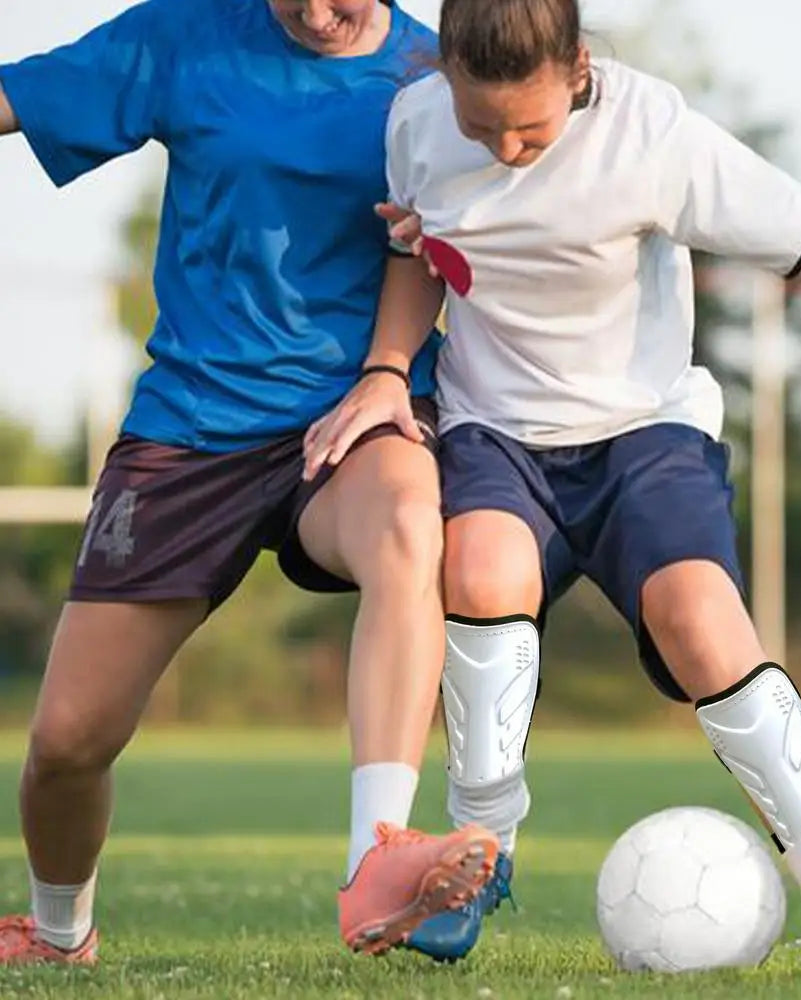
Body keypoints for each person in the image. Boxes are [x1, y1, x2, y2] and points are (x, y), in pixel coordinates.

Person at [303, 0, 801, 982]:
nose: (504, 149)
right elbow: (419, 253)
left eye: (529, 128)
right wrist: (386, 365)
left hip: (644, 433)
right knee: (483, 568)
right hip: (494, 431)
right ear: (444, 76)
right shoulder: (417, 121)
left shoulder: (655, 135)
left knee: (701, 620)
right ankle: (478, 859)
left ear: (579, 68)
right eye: (480, 124)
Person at [0, 0, 500, 965]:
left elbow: (459, 233)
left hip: (354, 412)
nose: (315, 12)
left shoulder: (434, 81)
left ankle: (377, 861)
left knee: (408, 520)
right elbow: (19, 98)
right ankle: (59, 933)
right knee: (66, 744)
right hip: (190, 430)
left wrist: (386, 372)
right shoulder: (184, 38)